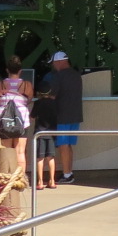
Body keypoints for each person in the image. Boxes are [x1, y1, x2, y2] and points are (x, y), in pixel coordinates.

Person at [48, 51, 84, 184]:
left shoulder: (58, 76)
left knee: (63, 145)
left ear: (58, 62)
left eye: (53, 63)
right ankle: (69, 172)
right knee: (68, 145)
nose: (53, 66)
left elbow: (52, 95)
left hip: (62, 115)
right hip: (75, 115)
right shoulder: (76, 75)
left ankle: (67, 174)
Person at [0, 56, 33, 154]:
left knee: (5, 151)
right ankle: (20, 170)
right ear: (20, 71)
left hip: (4, 120)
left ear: (7, 70)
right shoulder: (27, 85)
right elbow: (28, 100)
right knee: (20, 152)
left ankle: (7, 170)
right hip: (22, 120)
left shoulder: (0, 85)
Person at [30, 78, 59, 190]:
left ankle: (40, 182)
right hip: (51, 133)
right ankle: (52, 181)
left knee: (40, 159)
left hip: (40, 133)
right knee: (51, 158)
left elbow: (32, 117)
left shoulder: (37, 103)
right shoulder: (54, 103)